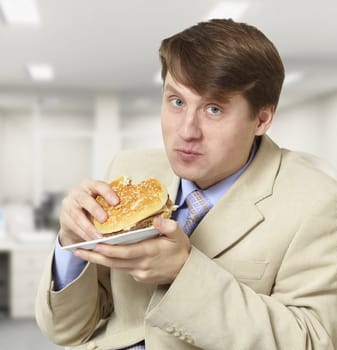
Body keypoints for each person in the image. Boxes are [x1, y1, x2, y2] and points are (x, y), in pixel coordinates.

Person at [35, 18, 337, 350]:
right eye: (177, 102)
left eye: (214, 109)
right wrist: (72, 246)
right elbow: (67, 331)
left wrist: (183, 273)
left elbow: (311, 341)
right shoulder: (129, 168)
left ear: (262, 118)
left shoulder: (317, 201)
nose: (187, 131)